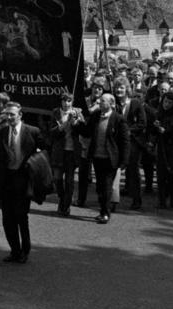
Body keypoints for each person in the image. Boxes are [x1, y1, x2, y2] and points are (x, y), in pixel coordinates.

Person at [0, 102, 43, 263]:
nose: (9, 117)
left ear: (20, 115)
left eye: (12, 114)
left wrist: (37, 166)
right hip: (6, 180)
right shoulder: (1, 132)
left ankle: (25, 250)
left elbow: (45, 150)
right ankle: (14, 250)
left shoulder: (32, 131)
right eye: (7, 114)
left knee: (21, 216)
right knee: (7, 218)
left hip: (23, 180)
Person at [77, 92, 128, 224]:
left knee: (106, 185)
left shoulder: (118, 119)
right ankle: (103, 209)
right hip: (97, 157)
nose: (100, 103)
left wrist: (123, 161)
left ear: (111, 103)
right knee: (100, 186)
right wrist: (77, 123)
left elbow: (124, 141)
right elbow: (87, 132)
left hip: (110, 158)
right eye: (100, 101)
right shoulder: (95, 116)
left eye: (103, 101)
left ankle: (105, 213)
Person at [151, 89, 173, 209]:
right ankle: (161, 199)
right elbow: (153, 133)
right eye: (165, 102)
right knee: (161, 173)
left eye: (169, 103)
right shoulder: (159, 114)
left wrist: (166, 131)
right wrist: (155, 129)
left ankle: (172, 195)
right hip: (161, 147)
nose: (166, 105)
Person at [49, 92, 84, 216]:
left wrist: (76, 122)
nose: (66, 103)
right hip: (59, 151)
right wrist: (63, 125)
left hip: (72, 151)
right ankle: (62, 198)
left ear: (72, 102)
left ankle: (66, 205)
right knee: (57, 178)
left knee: (69, 180)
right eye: (64, 101)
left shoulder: (77, 112)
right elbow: (52, 132)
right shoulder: (55, 113)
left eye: (69, 101)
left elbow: (84, 130)